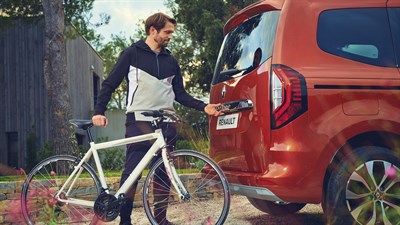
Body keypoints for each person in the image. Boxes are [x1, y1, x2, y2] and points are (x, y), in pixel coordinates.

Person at [92, 12, 223, 225]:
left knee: (163, 174)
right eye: (167, 32)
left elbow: (180, 94)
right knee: (132, 174)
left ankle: (160, 220)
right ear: (153, 30)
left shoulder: (171, 61)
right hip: (138, 121)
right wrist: (99, 111)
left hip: (166, 123)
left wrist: (204, 106)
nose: (171, 36)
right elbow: (110, 83)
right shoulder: (132, 54)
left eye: (171, 32)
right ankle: (125, 221)